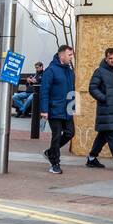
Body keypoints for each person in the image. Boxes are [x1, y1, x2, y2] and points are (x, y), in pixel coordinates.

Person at [39, 45, 76, 175]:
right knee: (56, 135)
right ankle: (55, 163)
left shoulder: (70, 71)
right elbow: (44, 91)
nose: (71, 57)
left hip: (67, 109)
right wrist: (44, 110)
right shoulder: (51, 71)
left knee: (70, 133)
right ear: (61, 56)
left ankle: (50, 152)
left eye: (72, 55)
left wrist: (73, 107)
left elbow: (72, 90)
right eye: (69, 55)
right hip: (54, 109)